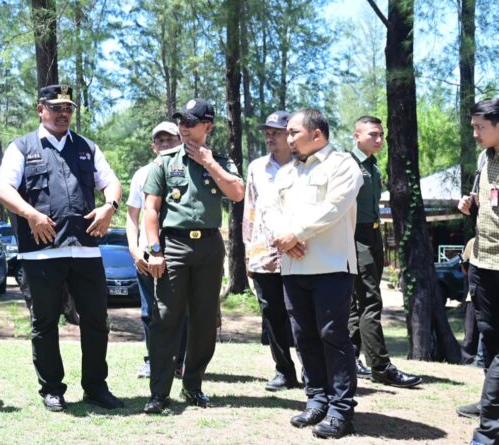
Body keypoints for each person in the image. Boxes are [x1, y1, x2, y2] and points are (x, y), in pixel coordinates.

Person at [0, 84, 124, 412]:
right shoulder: (21, 147)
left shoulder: (86, 147)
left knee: (96, 320)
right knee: (45, 321)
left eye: (68, 108)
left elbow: (111, 182)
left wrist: (110, 206)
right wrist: (30, 214)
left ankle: (96, 387)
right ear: (41, 110)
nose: (63, 113)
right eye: (56, 108)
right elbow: (2, 188)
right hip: (40, 252)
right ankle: (51, 389)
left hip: (85, 249)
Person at [263, 108, 362, 439]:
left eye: (293, 132)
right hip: (294, 268)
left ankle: (340, 410)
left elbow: (334, 207)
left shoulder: (343, 165)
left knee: (333, 337)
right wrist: (282, 238)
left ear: (317, 134)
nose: (287, 138)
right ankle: (316, 399)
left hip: (332, 267)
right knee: (304, 337)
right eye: (286, 133)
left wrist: (296, 234)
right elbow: (269, 209)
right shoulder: (287, 172)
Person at [141, 98, 244, 414]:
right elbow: (150, 210)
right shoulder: (165, 162)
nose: (183, 128)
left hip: (210, 247)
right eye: (180, 122)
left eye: (190, 122)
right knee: (165, 319)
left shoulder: (222, 163)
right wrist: (154, 251)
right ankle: (159, 393)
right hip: (174, 247)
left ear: (207, 127)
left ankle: (193, 386)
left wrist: (209, 163)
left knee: (203, 322)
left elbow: (237, 193)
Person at [347, 115, 421, 388]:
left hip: (373, 235)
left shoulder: (373, 166)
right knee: (370, 301)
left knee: (359, 303)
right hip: (357, 236)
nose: (379, 140)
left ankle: (351, 359)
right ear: (357, 136)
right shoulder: (350, 165)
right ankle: (381, 366)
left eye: (381, 135)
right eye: (372, 135)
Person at [242, 110, 301, 392]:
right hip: (264, 254)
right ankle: (284, 371)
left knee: (301, 314)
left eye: (275, 132)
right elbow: (249, 210)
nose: (269, 137)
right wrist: (247, 251)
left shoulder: (305, 165)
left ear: (289, 135)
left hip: (300, 252)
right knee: (273, 314)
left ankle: (312, 372)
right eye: (267, 132)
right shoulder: (256, 168)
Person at [125, 121, 186, 379]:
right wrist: (134, 251)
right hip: (147, 256)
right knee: (150, 311)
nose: (164, 145)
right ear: (153, 146)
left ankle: (178, 362)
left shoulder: (187, 171)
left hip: (178, 253)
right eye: (159, 141)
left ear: (180, 142)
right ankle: (153, 360)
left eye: (170, 140)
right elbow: (131, 217)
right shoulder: (142, 174)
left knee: (179, 312)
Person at [458, 98, 499, 420]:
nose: (474, 133)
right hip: (483, 261)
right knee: (488, 333)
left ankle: (491, 407)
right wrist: (470, 203)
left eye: (480, 127)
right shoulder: (486, 157)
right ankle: (491, 402)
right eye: (473, 127)